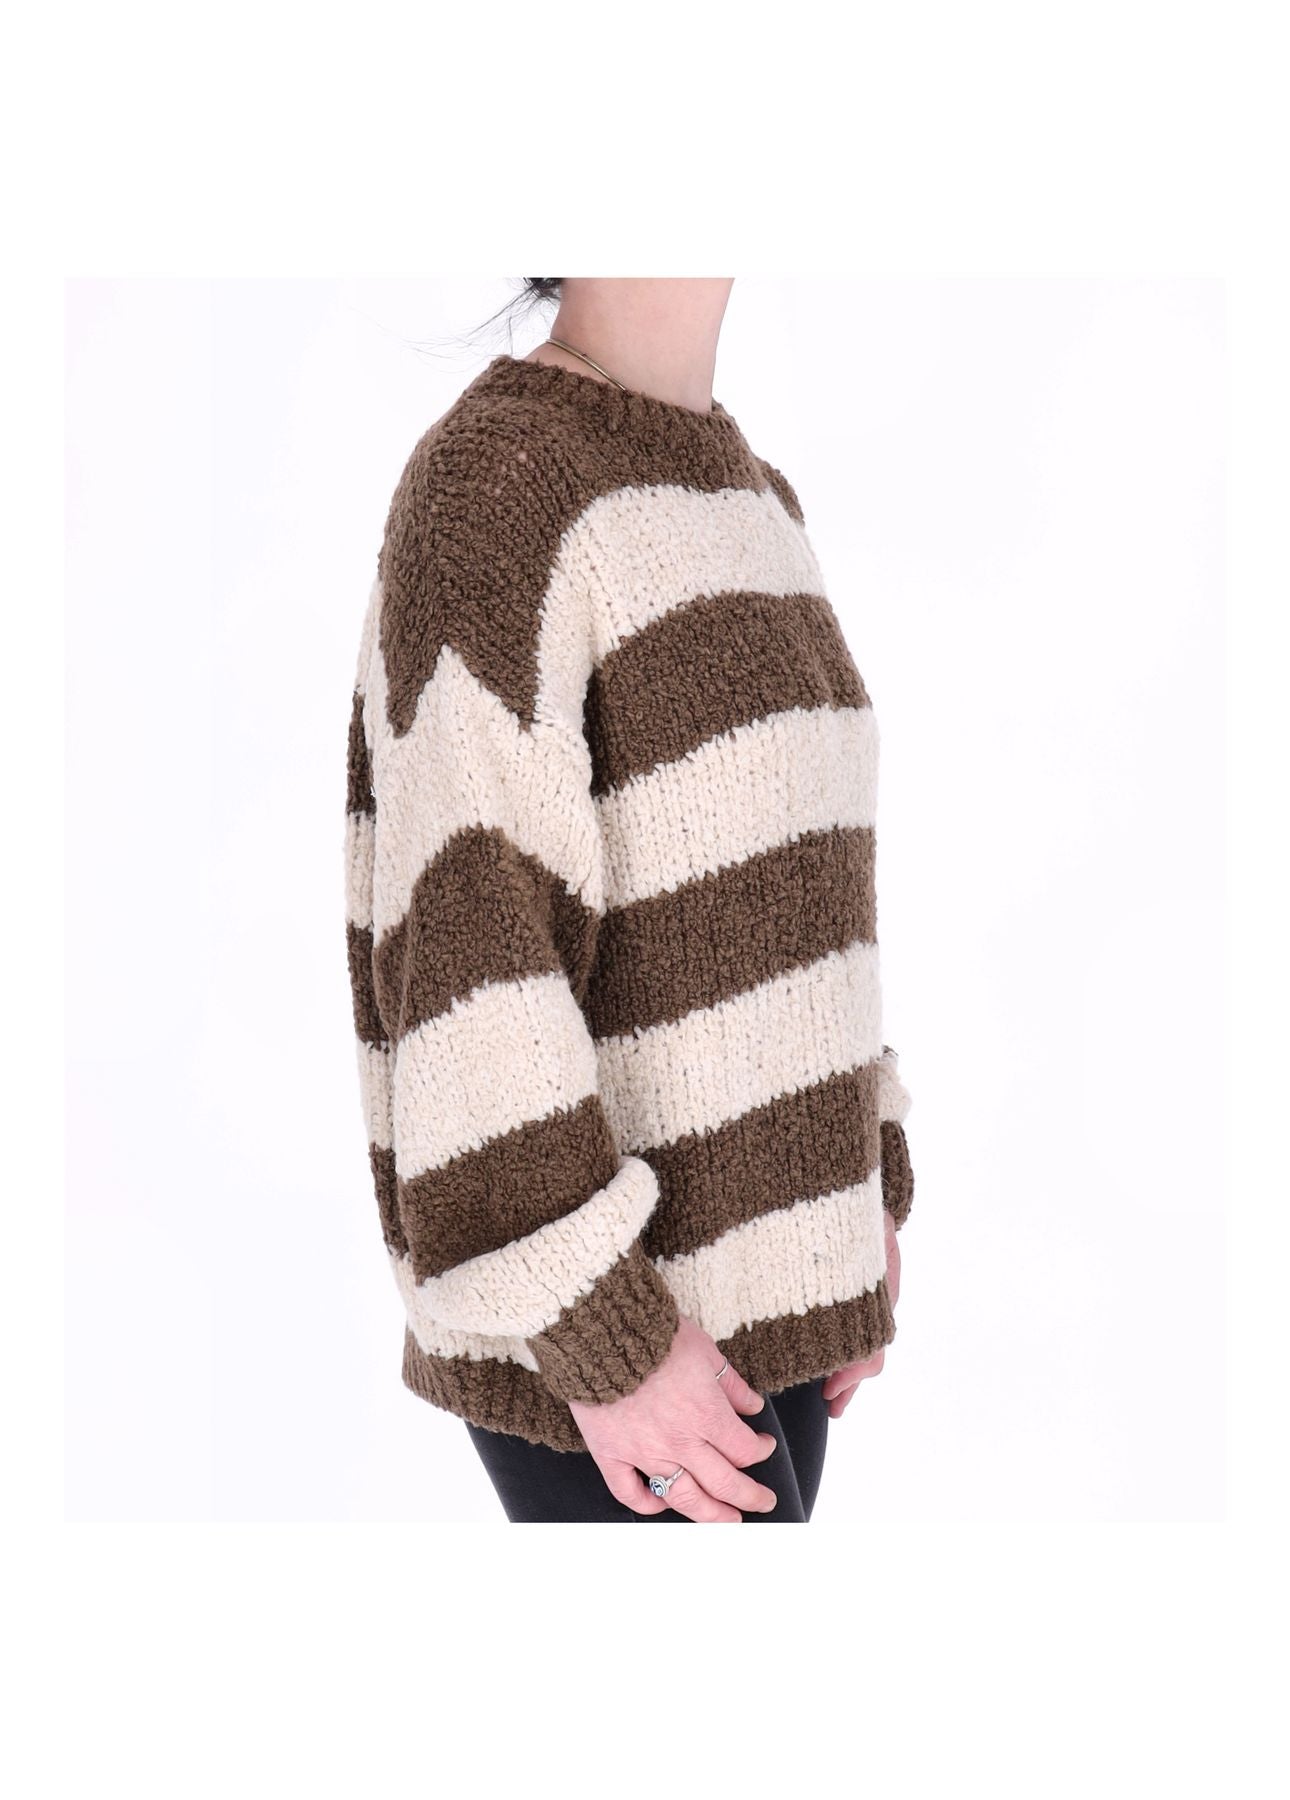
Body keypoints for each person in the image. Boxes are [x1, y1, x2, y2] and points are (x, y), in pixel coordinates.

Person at [343, 277, 915, 1522]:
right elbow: (467, 955)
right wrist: (607, 1338)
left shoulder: (751, 495)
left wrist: (855, 1179)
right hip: (620, 1364)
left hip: (770, 1327)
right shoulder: (497, 485)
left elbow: (789, 886)